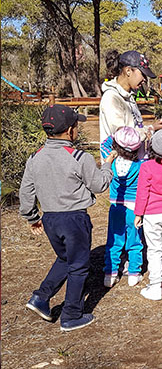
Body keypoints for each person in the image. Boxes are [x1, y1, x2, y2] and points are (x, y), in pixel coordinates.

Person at [20, 104, 116, 331]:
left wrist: (32, 217)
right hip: (74, 219)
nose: (77, 130)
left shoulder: (35, 158)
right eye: (76, 126)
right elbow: (99, 185)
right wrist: (107, 165)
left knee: (65, 258)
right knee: (79, 266)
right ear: (69, 131)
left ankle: (40, 297)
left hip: (50, 219)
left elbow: (26, 192)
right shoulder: (79, 157)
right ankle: (71, 315)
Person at [134, 128, 162, 301]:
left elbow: (142, 192)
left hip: (152, 213)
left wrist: (138, 214)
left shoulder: (146, 167)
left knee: (154, 250)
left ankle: (155, 286)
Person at [100, 50, 162, 155]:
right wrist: (150, 129)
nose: (144, 79)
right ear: (128, 71)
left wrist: (153, 127)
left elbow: (134, 128)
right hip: (120, 163)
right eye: (142, 74)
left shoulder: (129, 96)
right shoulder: (111, 98)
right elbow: (125, 138)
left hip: (134, 161)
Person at [101, 127, 145, 288]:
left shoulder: (110, 160)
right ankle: (134, 273)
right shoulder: (141, 164)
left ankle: (110, 274)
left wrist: (117, 134)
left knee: (114, 240)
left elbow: (104, 143)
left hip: (116, 206)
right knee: (135, 241)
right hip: (134, 208)